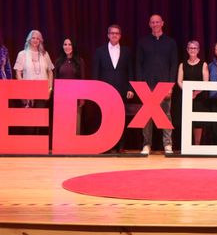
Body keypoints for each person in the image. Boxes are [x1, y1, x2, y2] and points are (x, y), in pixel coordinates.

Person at [136, 14, 178, 154]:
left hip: (164, 85)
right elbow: (138, 64)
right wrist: (140, 85)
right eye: (152, 22)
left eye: (157, 22)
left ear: (162, 23)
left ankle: (168, 144)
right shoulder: (143, 42)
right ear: (149, 24)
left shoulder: (170, 42)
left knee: (166, 115)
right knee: (147, 116)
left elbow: (173, 65)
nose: (155, 24)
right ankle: (147, 144)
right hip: (147, 85)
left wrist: (170, 85)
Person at [92, 24, 135, 152]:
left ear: (120, 36)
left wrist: (130, 88)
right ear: (108, 35)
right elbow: (96, 72)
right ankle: (107, 145)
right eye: (112, 33)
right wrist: (96, 90)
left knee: (120, 119)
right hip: (105, 91)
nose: (114, 35)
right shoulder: (100, 51)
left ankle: (121, 146)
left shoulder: (127, 51)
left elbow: (131, 71)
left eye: (117, 33)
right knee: (106, 118)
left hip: (122, 90)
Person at [177, 40, 209, 145]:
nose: (192, 50)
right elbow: (179, 81)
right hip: (186, 97)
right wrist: (187, 92)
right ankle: (187, 145)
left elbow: (205, 82)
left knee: (198, 122)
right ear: (187, 50)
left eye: (195, 48)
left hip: (199, 98)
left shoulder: (203, 64)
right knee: (186, 120)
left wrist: (195, 93)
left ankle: (197, 145)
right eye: (190, 48)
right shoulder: (182, 65)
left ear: (198, 50)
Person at [13, 30, 54, 109]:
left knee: (40, 114)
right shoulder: (22, 54)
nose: (35, 40)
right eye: (33, 38)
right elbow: (18, 73)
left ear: (40, 41)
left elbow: (50, 72)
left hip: (42, 90)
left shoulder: (45, 54)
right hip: (28, 90)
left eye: (37, 38)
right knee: (29, 115)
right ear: (29, 39)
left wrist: (50, 88)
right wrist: (23, 89)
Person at [54, 38, 85, 134]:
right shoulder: (58, 61)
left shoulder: (79, 61)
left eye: (69, 44)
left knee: (75, 122)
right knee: (63, 122)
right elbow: (55, 80)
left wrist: (82, 98)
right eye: (65, 44)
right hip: (62, 97)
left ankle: (75, 142)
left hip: (75, 97)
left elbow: (82, 79)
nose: (67, 47)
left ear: (73, 46)